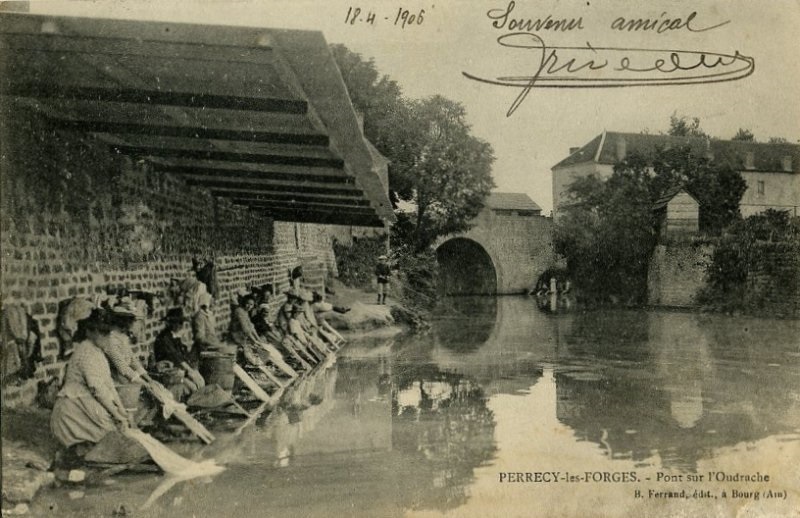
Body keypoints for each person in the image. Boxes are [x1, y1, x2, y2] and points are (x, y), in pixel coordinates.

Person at [51, 309, 133, 449]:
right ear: (90, 332)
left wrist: (121, 410)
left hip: (86, 402)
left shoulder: (98, 352)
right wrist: (116, 414)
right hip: (72, 411)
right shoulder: (86, 352)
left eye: (108, 333)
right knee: (110, 432)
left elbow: (109, 385)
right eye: (102, 333)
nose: (106, 337)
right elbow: (97, 389)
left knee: (118, 428)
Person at [230, 294, 299, 379]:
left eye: (251, 305)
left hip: (246, 339)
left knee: (269, 351)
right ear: (244, 302)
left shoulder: (245, 312)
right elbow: (246, 330)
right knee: (261, 353)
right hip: (238, 339)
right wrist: (255, 341)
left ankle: (279, 370)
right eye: (247, 303)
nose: (249, 306)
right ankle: (269, 372)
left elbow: (252, 328)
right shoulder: (239, 311)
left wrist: (258, 340)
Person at [153, 308, 205, 398]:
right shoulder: (164, 338)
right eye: (178, 323)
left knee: (199, 382)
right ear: (170, 323)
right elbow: (175, 357)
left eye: (182, 323)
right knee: (192, 386)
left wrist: (193, 371)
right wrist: (190, 372)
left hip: (178, 371)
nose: (181, 326)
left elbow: (182, 356)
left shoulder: (175, 337)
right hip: (167, 373)